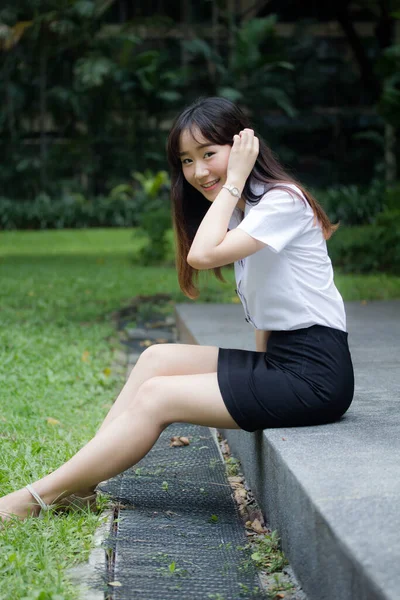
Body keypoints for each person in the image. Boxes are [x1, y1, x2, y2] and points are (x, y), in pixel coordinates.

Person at [0, 96, 354, 522]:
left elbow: (201, 256)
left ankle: (31, 500)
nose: (199, 171)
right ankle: (78, 487)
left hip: (316, 376)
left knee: (158, 396)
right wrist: (256, 372)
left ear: (243, 147)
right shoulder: (246, 212)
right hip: (282, 360)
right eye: (187, 161)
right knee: (157, 358)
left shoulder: (282, 202)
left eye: (209, 154)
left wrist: (234, 180)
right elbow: (268, 312)